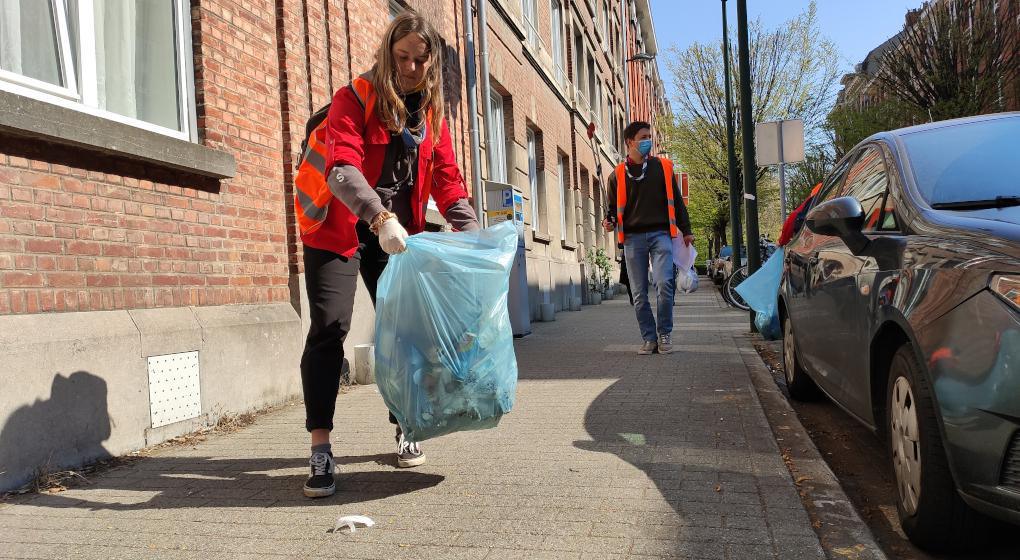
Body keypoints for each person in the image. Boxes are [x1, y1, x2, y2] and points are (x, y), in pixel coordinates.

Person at [297, 11, 479, 498]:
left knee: (404, 332)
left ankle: (405, 423)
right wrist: (379, 218)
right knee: (330, 327)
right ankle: (320, 448)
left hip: (396, 234)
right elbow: (341, 169)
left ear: (433, 63)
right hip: (338, 225)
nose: (412, 69)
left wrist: (473, 234)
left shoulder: (432, 114)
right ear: (387, 54)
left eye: (421, 61)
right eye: (403, 58)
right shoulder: (354, 98)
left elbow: (447, 179)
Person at [603, 121, 693, 355]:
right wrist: (608, 221)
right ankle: (649, 338)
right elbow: (611, 210)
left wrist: (686, 230)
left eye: (649, 136)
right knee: (639, 294)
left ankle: (665, 333)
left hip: (661, 234)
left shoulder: (662, 168)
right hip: (632, 239)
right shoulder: (616, 176)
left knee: (664, 284)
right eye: (643, 137)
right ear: (629, 142)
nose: (648, 141)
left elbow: (677, 201)